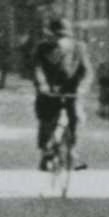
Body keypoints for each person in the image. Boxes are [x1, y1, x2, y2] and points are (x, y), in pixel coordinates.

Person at [29, 13, 88, 170]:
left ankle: (73, 150)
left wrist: (82, 86)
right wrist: (42, 85)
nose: (60, 40)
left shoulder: (79, 48)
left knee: (76, 117)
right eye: (57, 36)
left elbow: (86, 71)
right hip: (48, 91)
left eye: (64, 36)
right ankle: (45, 151)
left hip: (72, 90)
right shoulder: (42, 49)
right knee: (47, 119)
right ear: (50, 35)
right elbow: (37, 68)